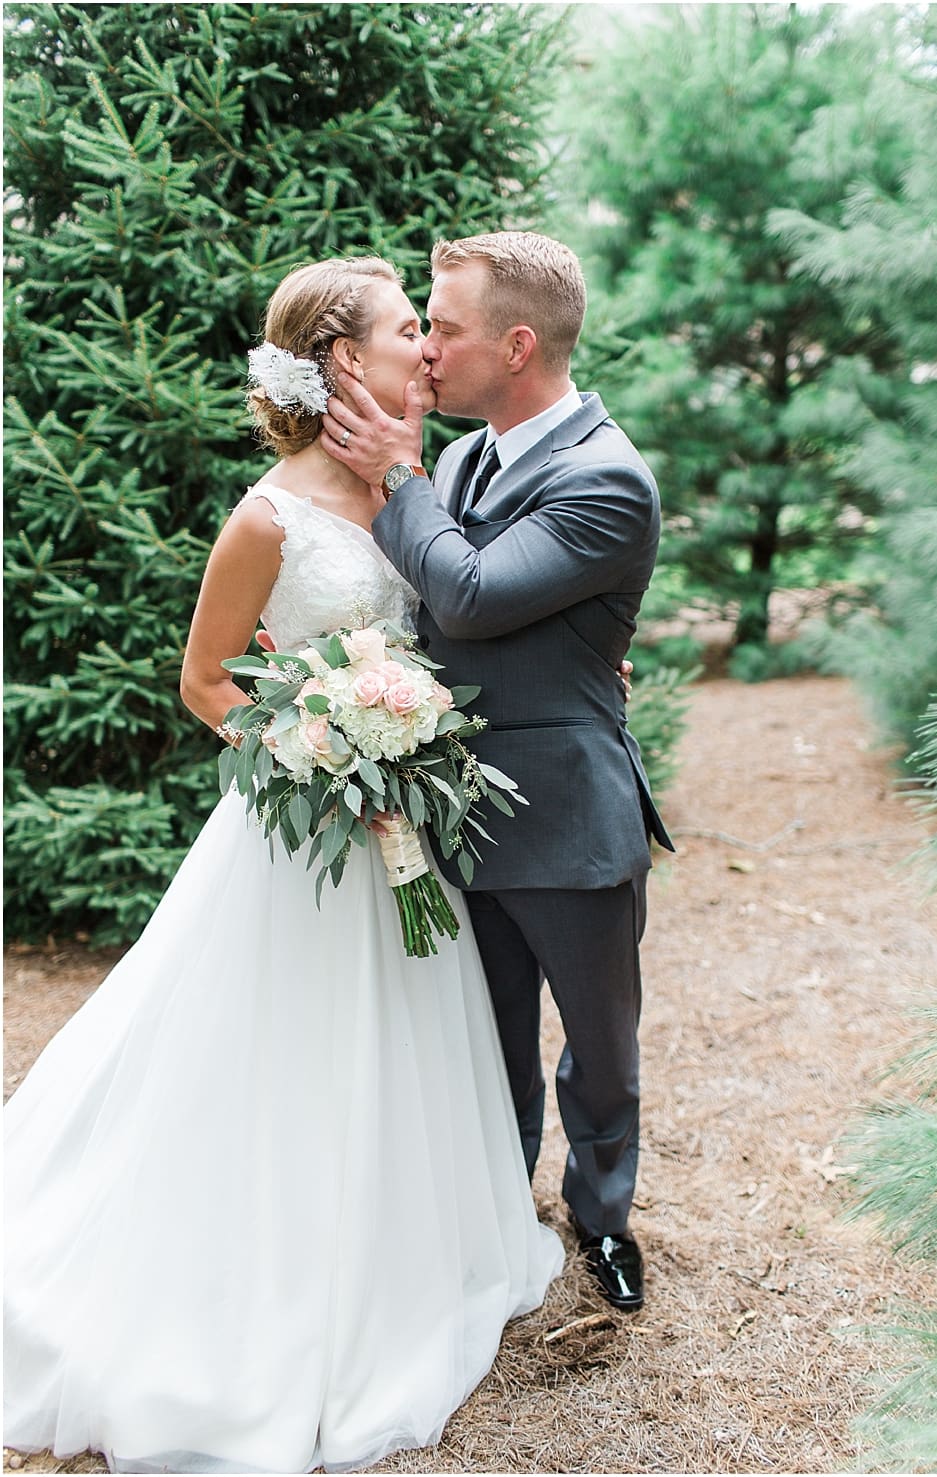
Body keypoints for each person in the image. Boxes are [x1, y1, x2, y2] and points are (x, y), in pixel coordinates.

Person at [3, 257, 564, 1472]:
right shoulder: (267, 518)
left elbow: (480, 610)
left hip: (403, 829)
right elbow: (207, 681)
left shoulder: (423, 484)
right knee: (279, 1057)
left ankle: (404, 1256)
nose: (427, 347)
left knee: (404, 1043)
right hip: (306, 835)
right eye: (409, 329)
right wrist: (314, 751)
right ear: (343, 360)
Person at [320, 231, 671, 1314]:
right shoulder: (466, 459)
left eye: (449, 328)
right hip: (455, 811)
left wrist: (396, 472)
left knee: (599, 1053)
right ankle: (492, 1222)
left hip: (569, 819)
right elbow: (429, 605)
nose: (426, 350)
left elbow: (467, 593)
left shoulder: (608, 478)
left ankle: (602, 1217)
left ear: (517, 346)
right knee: (487, 1041)